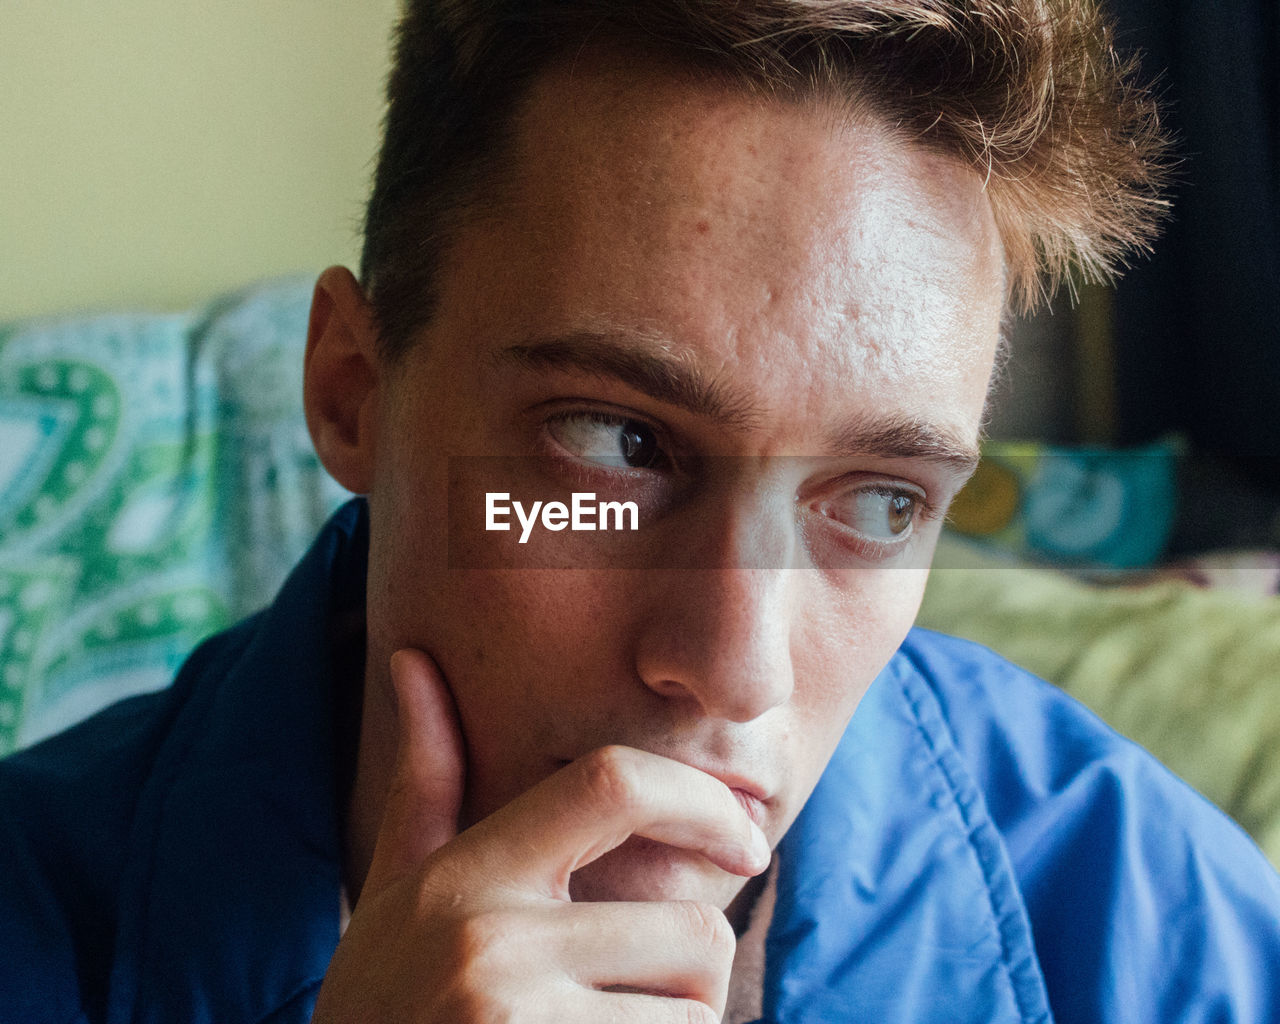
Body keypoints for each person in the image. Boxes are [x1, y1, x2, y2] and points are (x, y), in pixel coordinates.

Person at [3, 2, 1279, 1022]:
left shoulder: (1154, 925)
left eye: (880, 501)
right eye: (618, 443)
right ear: (352, 395)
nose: (733, 669)